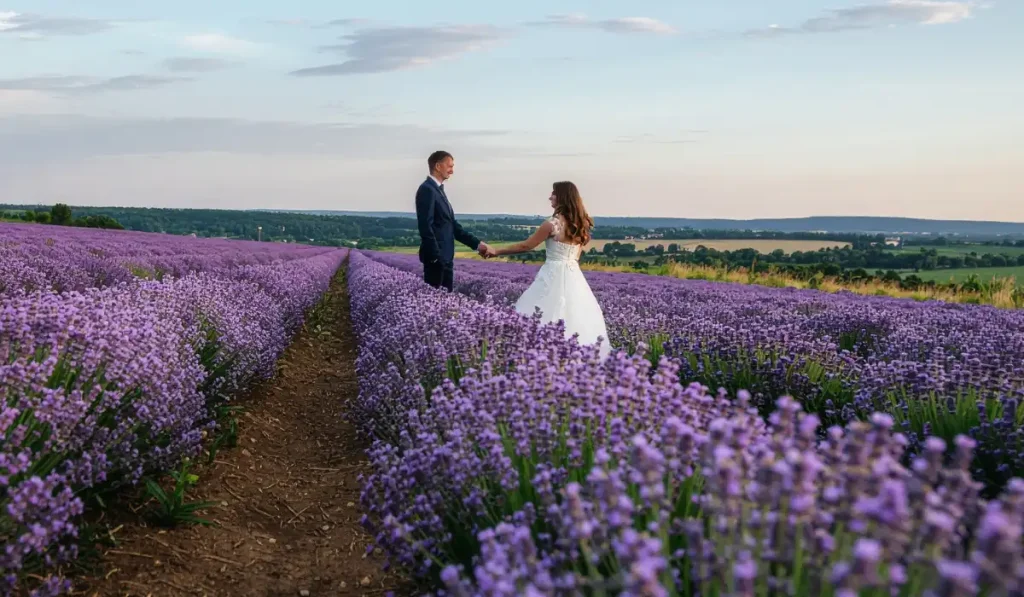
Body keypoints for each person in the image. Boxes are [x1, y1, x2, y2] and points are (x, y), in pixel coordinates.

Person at [486, 181, 611, 359]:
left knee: (541, 310)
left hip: (552, 272)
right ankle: (577, 359)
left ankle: (538, 356)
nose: (550, 197)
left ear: (562, 197)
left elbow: (526, 246)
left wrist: (496, 251)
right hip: (574, 274)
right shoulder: (581, 225)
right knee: (577, 315)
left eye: (553, 193)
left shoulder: (551, 225)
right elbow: (576, 256)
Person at [415, 150, 491, 291]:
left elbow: (453, 227)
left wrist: (477, 244)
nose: (452, 171)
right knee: (435, 305)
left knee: (444, 304)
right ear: (438, 166)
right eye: (450, 166)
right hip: (437, 261)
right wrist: (436, 258)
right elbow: (425, 226)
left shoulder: (438, 190)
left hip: (445, 259)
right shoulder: (427, 190)